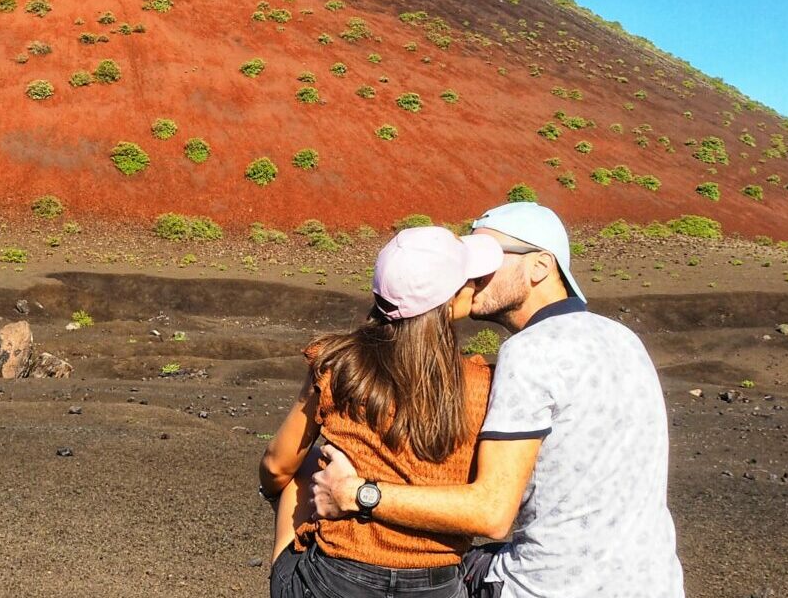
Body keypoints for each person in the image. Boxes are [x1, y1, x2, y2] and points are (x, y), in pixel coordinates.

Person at [308, 203, 685, 598]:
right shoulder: (623, 338)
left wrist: (359, 493)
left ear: (540, 266)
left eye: (488, 260)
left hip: (549, 587)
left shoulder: (530, 352)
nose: (470, 276)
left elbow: (491, 514)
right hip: (652, 583)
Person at [259, 226, 505, 598]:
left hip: (337, 579)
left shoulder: (340, 366)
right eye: (468, 280)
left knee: (304, 463)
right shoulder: (482, 385)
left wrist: (270, 492)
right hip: (437, 583)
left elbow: (276, 466)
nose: (475, 283)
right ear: (450, 301)